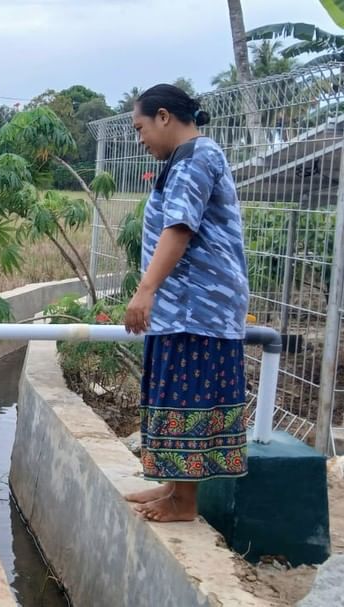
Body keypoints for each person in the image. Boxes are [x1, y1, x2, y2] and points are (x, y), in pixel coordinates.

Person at [122, 84, 250, 523]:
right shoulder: (188, 158)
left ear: (163, 116)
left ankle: (184, 502)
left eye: (140, 127)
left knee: (186, 396)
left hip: (199, 308)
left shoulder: (195, 158)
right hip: (186, 308)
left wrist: (146, 289)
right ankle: (174, 487)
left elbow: (179, 227)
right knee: (173, 393)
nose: (140, 139)